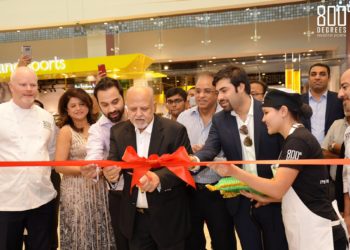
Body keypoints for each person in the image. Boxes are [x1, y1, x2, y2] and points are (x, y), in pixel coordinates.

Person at [210, 88, 348, 250]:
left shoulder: (297, 141)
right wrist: (267, 199)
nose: (263, 119)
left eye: (266, 113)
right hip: (308, 230)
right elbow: (301, 189)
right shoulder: (294, 139)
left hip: (318, 232)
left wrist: (234, 171)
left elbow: (277, 188)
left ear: (283, 111)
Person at [194, 66, 288, 250]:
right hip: (241, 200)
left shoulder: (269, 111)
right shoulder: (220, 119)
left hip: (273, 197)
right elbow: (210, 148)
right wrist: (195, 160)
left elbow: (286, 151)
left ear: (241, 87)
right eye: (217, 92)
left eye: (224, 91)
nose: (219, 97)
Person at [107, 86, 192, 250]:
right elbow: (113, 162)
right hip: (135, 220)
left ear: (154, 106)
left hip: (168, 219)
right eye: (133, 109)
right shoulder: (118, 132)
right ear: (126, 108)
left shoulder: (174, 130)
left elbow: (184, 166)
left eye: (144, 108)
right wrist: (110, 173)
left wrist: (158, 178)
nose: (138, 114)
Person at [0, 66, 57, 250]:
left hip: (42, 198)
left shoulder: (47, 117)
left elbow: (51, 152)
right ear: (11, 86)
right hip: (6, 201)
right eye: (23, 84)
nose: (29, 89)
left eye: (33, 84)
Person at [177, 72, 235, 250]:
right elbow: (175, 152)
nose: (200, 96)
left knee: (223, 240)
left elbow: (235, 155)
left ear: (217, 93)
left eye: (207, 91)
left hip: (219, 189)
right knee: (192, 241)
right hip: (189, 190)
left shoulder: (228, 118)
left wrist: (207, 156)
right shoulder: (183, 118)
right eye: (197, 91)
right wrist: (189, 154)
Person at [54, 88, 116, 249]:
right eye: (73, 105)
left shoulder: (100, 127)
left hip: (99, 187)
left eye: (81, 104)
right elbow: (59, 165)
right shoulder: (66, 131)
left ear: (88, 105)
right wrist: (84, 170)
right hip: (75, 190)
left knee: (101, 226)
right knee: (79, 230)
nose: (78, 108)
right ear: (66, 110)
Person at [80, 77, 129, 250]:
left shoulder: (139, 115)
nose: (112, 109)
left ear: (123, 97)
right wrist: (92, 168)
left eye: (115, 101)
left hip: (151, 188)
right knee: (124, 241)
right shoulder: (97, 129)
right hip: (119, 193)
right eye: (105, 105)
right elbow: (93, 155)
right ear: (98, 105)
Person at [301, 63, 344, 144]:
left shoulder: (339, 99)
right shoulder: (298, 101)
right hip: (305, 152)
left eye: (322, 74)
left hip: (331, 153)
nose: (317, 77)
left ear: (329, 78)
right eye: (313, 74)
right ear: (309, 78)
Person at [338, 69, 350, 234]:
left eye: (345, 87)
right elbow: (347, 177)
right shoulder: (348, 132)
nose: (340, 94)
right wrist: (347, 214)